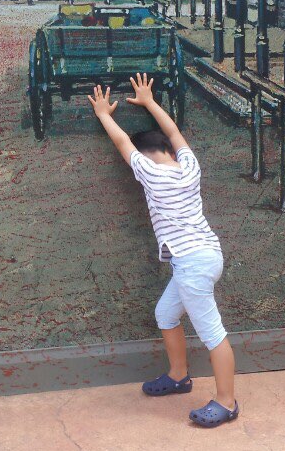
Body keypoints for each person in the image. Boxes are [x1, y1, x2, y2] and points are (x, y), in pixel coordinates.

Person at [87, 73, 238, 428]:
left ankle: (227, 402)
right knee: (166, 314)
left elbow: (122, 141)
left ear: (145, 158)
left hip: (192, 264)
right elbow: (174, 132)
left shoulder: (150, 174)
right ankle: (178, 376)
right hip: (206, 256)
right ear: (170, 152)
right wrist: (151, 102)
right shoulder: (190, 168)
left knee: (213, 334)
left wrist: (104, 114)